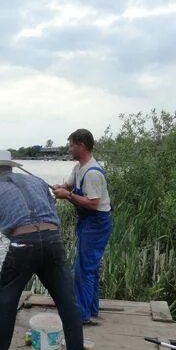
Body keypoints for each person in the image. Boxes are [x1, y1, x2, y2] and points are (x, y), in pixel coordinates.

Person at [0, 148, 90, 350]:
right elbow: (50, 206)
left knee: (7, 297)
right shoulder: (36, 182)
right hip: (52, 240)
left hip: (22, 246)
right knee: (67, 300)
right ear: (10, 167)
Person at [52, 129, 112, 324]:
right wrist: (61, 188)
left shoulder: (93, 173)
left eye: (71, 145)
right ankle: (91, 310)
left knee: (83, 270)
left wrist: (68, 196)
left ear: (81, 145)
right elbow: (69, 185)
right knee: (90, 268)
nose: (69, 149)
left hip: (97, 223)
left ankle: (82, 315)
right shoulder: (79, 168)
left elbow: (93, 203)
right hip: (87, 223)